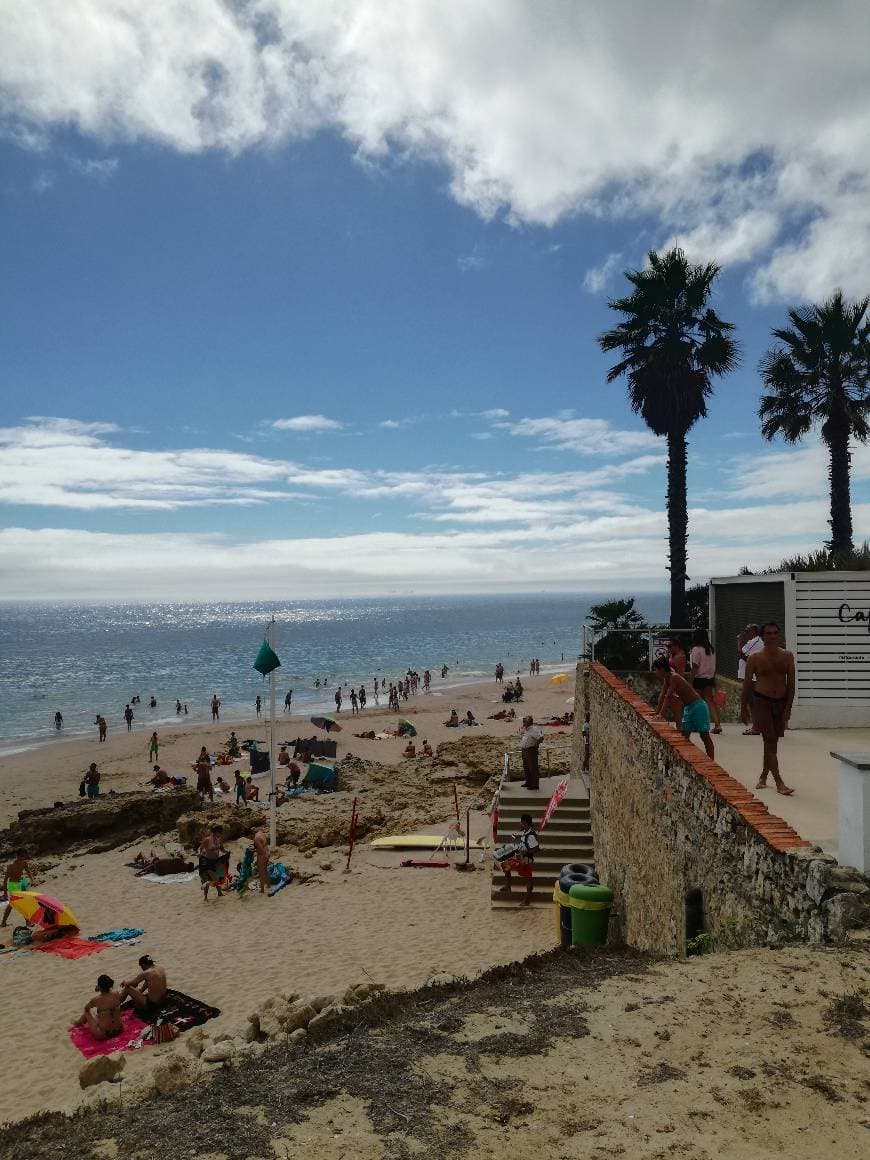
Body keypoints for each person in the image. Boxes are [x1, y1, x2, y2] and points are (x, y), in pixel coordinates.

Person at [741, 622, 795, 795]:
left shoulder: (787, 656)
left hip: (780, 702)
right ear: (762, 636)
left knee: (772, 743)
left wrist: (788, 707)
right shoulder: (754, 658)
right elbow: (747, 685)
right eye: (768, 633)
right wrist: (743, 708)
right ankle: (779, 783)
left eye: (775, 633)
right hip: (761, 701)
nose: (772, 636)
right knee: (769, 740)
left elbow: (791, 684)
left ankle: (764, 776)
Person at [652, 658, 714, 759]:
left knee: (704, 735)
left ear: (662, 669)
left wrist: (660, 715)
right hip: (688, 707)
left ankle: (712, 760)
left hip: (698, 706)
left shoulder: (674, 677)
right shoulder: (667, 679)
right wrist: (657, 713)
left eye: (656, 670)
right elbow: (662, 695)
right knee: (684, 736)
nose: (655, 673)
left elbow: (668, 697)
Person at [498, 814, 539, 905]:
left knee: (528, 879)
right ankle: (508, 885)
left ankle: (527, 899)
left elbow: (536, 848)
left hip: (526, 860)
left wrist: (525, 852)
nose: (520, 824)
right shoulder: (524, 831)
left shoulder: (531, 835)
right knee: (504, 864)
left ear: (525, 823)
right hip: (518, 857)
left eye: (522, 822)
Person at [690, 629, 722, 735]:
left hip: (699, 678)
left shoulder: (696, 649)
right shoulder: (710, 649)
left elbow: (695, 666)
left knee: (697, 702)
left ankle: (698, 725)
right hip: (709, 678)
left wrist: (690, 680)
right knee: (710, 701)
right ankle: (717, 724)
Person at [77, 974, 123, 1041]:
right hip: (119, 1030)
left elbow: (86, 1008)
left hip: (104, 1034)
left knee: (87, 1011)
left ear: (99, 987)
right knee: (104, 1012)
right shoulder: (116, 994)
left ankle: (77, 1023)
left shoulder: (96, 1000)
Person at [738, 624, 764, 734]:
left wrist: (739, 642)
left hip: (752, 677)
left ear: (754, 631)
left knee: (753, 701)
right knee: (751, 701)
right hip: (749, 676)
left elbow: (741, 654)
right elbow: (742, 653)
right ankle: (756, 726)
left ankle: (757, 727)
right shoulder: (751, 641)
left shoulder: (756, 641)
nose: (745, 633)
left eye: (747, 630)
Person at [1, 850, 34, 926]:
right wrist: (5, 892)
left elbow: (28, 872)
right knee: (19, 903)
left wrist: (32, 880)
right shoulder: (11, 866)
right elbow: (5, 879)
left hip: (21, 883)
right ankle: (28, 922)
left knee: (13, 905)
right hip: (13, 885)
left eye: (24, 856)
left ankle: (3, 922)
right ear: (17, 856)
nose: (23, 858)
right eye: (21, 856)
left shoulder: (24, 863)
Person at [198, 827, 228, 900]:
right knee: (208, 879)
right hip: (208, 861)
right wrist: (200, 854)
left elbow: (222, 849)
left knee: (219, 877)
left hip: (217, 861)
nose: (220, 834)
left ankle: (219, 893)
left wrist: (227, 852)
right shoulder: (207, 840)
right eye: (219, 832)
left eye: (221, 833)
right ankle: (205, 897)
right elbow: (201, 848)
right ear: (215, 832)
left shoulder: (219, 839)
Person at [519, 716, 544, 789]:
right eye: (523, 721)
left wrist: (536, 745)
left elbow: (541, 738)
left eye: (525, 721)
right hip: (524, 750)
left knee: (533, 768)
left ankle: (535, 784)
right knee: (526, 767)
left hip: (531, 750)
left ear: (529, 722)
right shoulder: (526, 729)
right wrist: (522, 728)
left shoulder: (534, 730)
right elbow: (521, 735)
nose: (523, 723)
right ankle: (528, 782)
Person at [252, 826, 270, 896]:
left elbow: (261, 849)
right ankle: (268, 885)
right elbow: (265, 844)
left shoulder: (256, 838)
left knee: (261, 872)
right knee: (265, 870)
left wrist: (253, 850)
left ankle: (262, 889)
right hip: (267, 852)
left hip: (262, 855)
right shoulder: (261, 833)